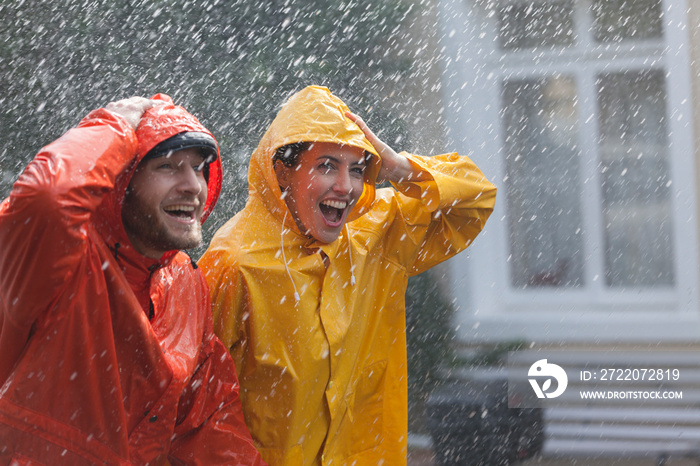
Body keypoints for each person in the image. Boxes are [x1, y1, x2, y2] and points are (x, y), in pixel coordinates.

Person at [198, 85, 497, 465]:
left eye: (357, 169)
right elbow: (197, 406)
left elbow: (476, 199)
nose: (346, 186)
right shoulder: (234, 263)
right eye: (326, 166)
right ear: (282, 171)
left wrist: (397, 168)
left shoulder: (373, 232)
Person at [0, 95, 266, 465]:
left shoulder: (187, 283)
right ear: (121, 181)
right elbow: (47, 198)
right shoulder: (61, 256)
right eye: (168, 166)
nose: (193, 185)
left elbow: (206, 420)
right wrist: (110, 125)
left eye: (200, 168)